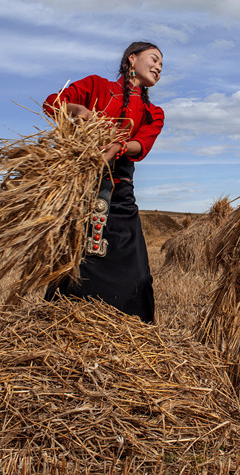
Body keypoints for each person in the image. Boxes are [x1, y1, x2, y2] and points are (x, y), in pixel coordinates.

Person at [42, 41, 164, 323]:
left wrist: (117, 147)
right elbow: (52, 102)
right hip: (82, 188)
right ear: (131, 59)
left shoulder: (153, 112)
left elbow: (142, 144)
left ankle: (132, 334)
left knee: (138, 275)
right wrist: (78, 111)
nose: (159, 67)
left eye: (162, 65)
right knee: (75, 267)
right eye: (154, 59)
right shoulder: (96, 87)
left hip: (120, 193)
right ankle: (63, 326)